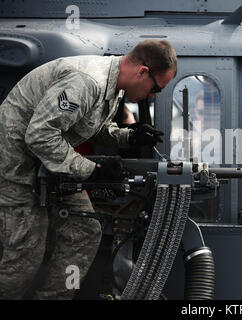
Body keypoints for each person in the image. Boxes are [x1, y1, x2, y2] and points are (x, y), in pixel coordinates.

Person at [0, 39, 177, 299]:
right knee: (24, 258)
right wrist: (91, 169)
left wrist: (130, 137)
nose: (152, 96)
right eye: (156, 89)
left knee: (84, 231)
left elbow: (89, 125)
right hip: (15, 169)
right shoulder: (87, 82)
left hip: (48, 166)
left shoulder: (113, 86)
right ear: (142, 72)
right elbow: (40, 136)